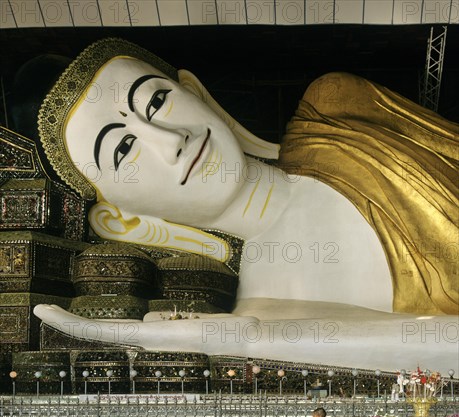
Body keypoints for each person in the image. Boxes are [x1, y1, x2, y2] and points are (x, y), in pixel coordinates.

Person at [10, 37, 456, 375]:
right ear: (121, 220)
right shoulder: (273, 311)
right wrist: (239, 338)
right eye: (124, 149)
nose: (170, 140)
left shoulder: (338, 111)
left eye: (156, 100)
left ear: (196, 92)